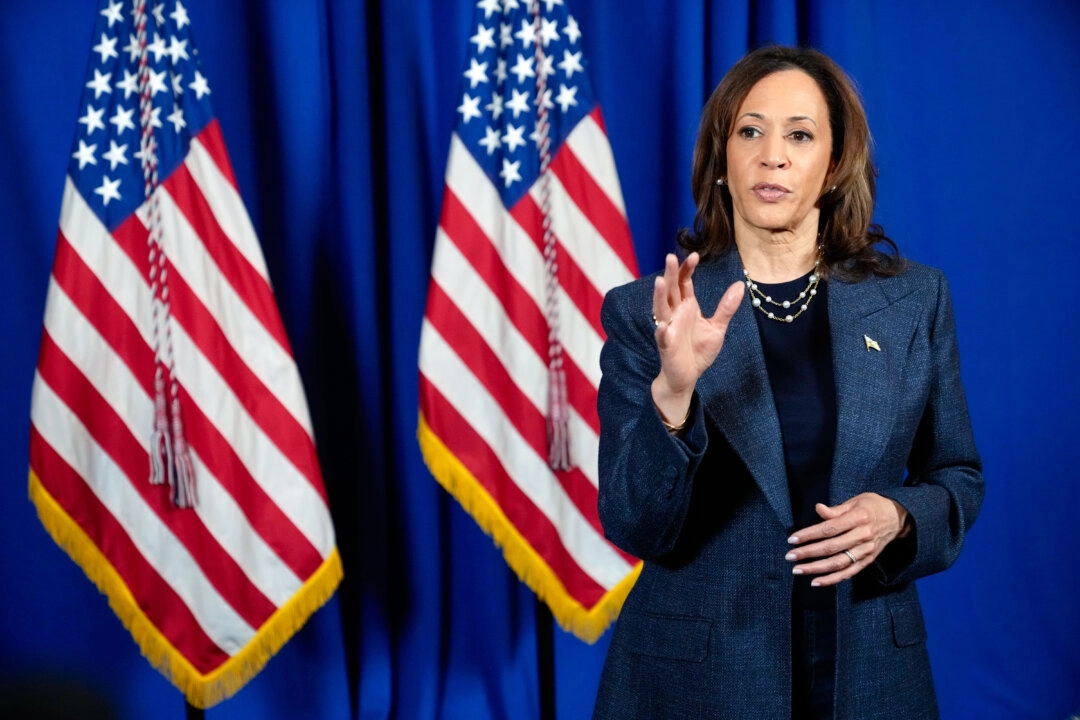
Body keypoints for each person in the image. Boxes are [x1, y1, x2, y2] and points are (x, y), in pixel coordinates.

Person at [592, 45, 984, 719]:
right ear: (722, 161)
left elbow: (958, 476)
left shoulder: (916, 301)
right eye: (751, 130)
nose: (773, 155)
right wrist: (675, 393)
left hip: (869, 675)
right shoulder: (646, 311)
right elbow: (637, 525)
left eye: (800, 134)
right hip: (698, 684)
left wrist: (898, 516)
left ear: (833, 166)